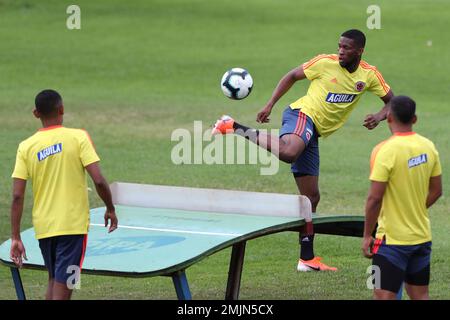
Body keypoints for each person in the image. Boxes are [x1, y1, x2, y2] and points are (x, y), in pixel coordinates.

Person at [212, 29, 393, 271]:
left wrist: (380, 116)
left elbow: (392, 100)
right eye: (339, 45)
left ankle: (306, 259)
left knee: (311, 198)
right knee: (289, 153)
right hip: (301, 115)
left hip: (314, 132)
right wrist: (269, 105)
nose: (340, 50)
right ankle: (232, 126)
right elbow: (291, 76)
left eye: (346, 48)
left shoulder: (369, 75)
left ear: (359, 51)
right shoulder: (324, 63)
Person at [9, 89, 118, 300]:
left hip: (44, 228)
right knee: (66, 286)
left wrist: (15, 236)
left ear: (35, 113)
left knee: (54, 280)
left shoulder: (25, 147)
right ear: (62, 110)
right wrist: (110, 208)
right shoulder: (78, 137)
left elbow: (16, 196)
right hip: (72, 228)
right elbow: (98, 180)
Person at [362, 95, 442, 300]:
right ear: (414, 119)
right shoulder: (428, 146)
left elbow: (375, 198)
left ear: (388, 117)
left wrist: (367, 235)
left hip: (390, 242)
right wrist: (415, 208)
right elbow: (436, 191)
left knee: (382, 296)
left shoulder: (384, 150)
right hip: (422, 238)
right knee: (421, 295)